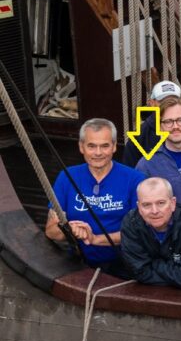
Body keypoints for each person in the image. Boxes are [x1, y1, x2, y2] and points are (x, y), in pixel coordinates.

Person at [46, 118, 146, 276]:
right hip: (78, 264)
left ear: (114, 146)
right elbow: (51, 232)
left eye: (104, 146)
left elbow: (141, 233)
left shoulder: (135, 179)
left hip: (125, 264)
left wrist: (95, 239)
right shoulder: (66, 177)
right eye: (91, 146)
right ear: (81, 147)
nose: (98, 153)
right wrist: (70, 230)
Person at [119, 177, 181, 288]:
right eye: (146, 205)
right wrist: (177, 273)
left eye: (161, 203)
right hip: (144, 294)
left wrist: (153, 264)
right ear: (139, 207)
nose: (154, 211)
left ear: (173, 203)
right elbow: (138, 272)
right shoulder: (131, 223)